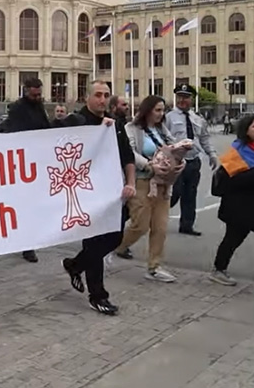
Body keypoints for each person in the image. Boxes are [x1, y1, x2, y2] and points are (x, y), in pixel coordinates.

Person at [60, 81, 136, 315]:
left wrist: (131, 183)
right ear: (87, 98)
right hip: (85, 194)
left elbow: (127, 156)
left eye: (106, 95)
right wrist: (94, 132)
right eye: (98, 95)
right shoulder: (77, 121)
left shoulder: (115, 124)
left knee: (114, 238)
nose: (102, 100)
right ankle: (98, 295)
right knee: (94, 241)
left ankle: (75, 265)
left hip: (112, 193)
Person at [113, 95, 180, 283]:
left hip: (163, 184)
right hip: (142, 182)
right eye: (157, 110)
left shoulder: (162, 130)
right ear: (147, 110)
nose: (161, 114)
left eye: (163, 110)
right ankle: (114, 247)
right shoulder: (131, 129)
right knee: (140, 225)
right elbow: (129, 153)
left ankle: (154, 266)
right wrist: (149, 165)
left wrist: (179, 158)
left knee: (160, 227)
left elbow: (172, 149)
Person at [1, 77, 51, 263]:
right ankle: (25, 244)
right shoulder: (17, 108)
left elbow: (45, 127)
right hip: (22, 162)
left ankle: (29, 241)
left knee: (34, 206)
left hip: (37, 161)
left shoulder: (39, 106)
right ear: (26, 90)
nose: (37, 97)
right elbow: (16, 132)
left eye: (39, 94)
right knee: (24, 206)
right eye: (34, 94)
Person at [165, 84, 219, 236]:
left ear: (191, 99)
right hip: (175, 161)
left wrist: (212, 155)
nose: (182, 100)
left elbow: (204, 139)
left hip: (193, 161)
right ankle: (155, 217)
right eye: (180, 97)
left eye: (186, 97)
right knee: (174, 193)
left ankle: (187, 225)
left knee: (190, 194)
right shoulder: (168, 117)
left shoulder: (197, 119)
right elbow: (162, 138)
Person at [208, 114, 254, 286]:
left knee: (234, 238)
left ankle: (219, 268)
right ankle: (218, 270)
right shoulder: (237, 150)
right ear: (246, 130)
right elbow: (233, 179)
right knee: (233, 238)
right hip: (239, 205)